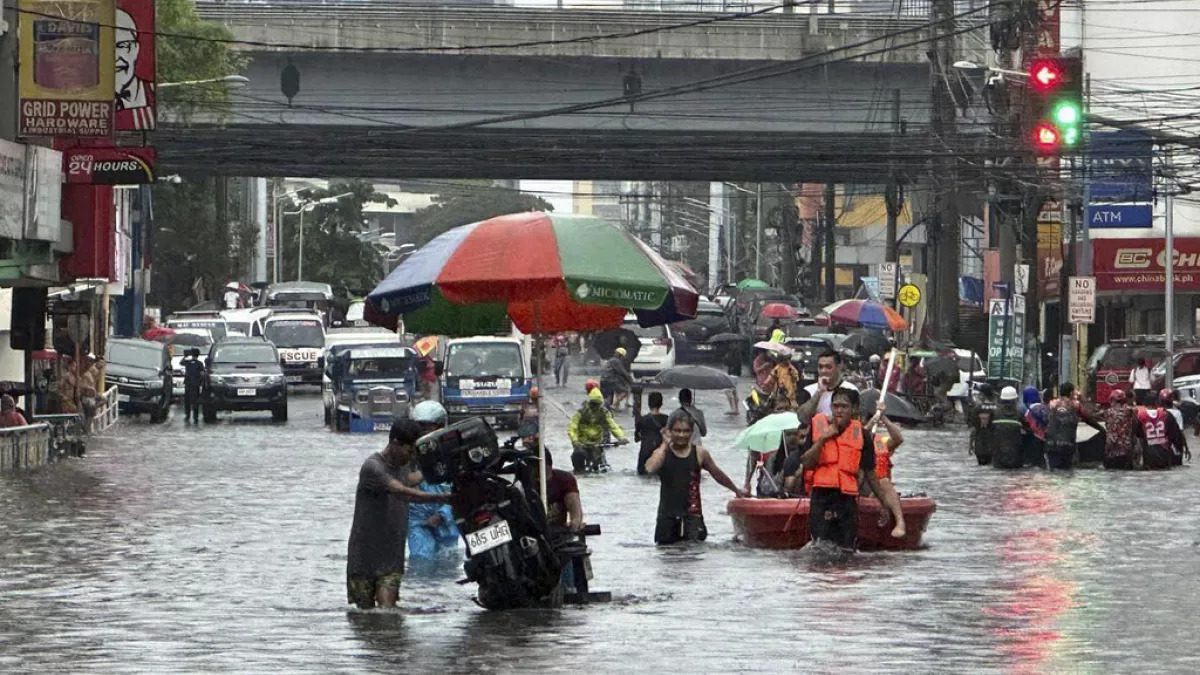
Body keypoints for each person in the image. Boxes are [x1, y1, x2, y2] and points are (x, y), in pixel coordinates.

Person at [346, 418, 452, 610]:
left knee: (388, 615)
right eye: (409, 450)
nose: (411, 457)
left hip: (391, 558)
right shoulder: (373, 467)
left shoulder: (402, 468)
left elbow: (414, 479)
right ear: (395, 443)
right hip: (364, 559)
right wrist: (442, 498)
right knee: (364, 618)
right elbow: (403, 491)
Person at [789, 388, 905, 550]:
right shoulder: (818, 428)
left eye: (844, 406)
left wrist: (884, 504)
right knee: (820, 547)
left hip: (846, 498)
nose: (839, 410)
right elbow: (807, 463)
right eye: (835, 406)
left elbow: (870, 473)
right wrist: (822, 439)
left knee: (847, 548)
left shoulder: (862, 436)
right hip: (822, 497)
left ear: (854, 409)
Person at [645, 409, 748, 544]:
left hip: (693, 517)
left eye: (686, 431)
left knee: (694, 556)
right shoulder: (662, 453)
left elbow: (717, 474)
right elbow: (650, 468)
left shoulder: (700, 453)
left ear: (692, 432)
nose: (681, 435)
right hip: (667, 519)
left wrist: (737, 490)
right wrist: (664, 444)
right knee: (668, 556)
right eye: (677, 430)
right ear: (669, 431)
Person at [407, 401, 459, 562]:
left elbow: (461, 488)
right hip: (418, 519)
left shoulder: (453, 452)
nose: (424, 433)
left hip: (446, 518)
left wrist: (442, 515)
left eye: (429, 427)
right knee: (421, 559)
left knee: (449, 558)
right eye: (420, 427)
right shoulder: (408, 453)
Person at [567, 388, 629, 472]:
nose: (595, 407)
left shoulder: (604, 412)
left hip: (597, 444)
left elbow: (613, 426)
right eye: (593, 404)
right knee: (578, 460)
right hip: (581, 444)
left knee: (601, 468)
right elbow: (572, 427)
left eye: (597, 404)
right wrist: (574, 441)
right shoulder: (581, 412)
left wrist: (621, 438)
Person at [1044, 383, 1103, 470]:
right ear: (1071, 393)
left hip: (1051, 444)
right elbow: (1087, 419)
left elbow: (1046, 420)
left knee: (1054, 471)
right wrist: (1101, 429)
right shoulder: (1075, 405)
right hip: (1067, 444)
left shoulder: (1052, 404)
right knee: (1066, 472)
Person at [796, 350, 859, 422]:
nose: (823, 371)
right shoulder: (808, 390)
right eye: (820, 367)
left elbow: (855, 420)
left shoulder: (851, 389)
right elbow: (802, 418)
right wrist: (819, 392)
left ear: (839, 367)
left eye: (828, 367)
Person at [1103, 390, 1142, 470]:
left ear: (1112, 400)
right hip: (1126, 452)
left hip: (1110, 452)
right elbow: (1136, 426)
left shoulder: (1107, 412)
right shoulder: (1132, 411)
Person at [989, 387, 1027, 469]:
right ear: (1015, 400)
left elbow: (989, 431)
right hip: (1016, 457)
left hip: (998, 457)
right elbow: (1027, 429)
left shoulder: (995, 414)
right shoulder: (1019, 414)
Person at [1137, 397, 1178, 470]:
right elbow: (1175, 435)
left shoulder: (1139, 415)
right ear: (1157, 403)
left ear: (1145, 404)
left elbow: (1138, 435)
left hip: (1149, 457)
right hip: (1165, 455)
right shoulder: (1167, 414)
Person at [634, 391, 668, 475]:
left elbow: (636, 439)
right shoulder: (667, 419)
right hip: (660, 452)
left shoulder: (642, 420)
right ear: (661, 404)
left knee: (642, 476)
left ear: (648, 403)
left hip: (645, 451)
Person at [1159, 389, 1189, 466]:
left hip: (1161, 449)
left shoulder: (1158, 413)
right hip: (1175, 448)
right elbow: (1180, 432)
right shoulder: (1177, 413)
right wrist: (1186, 447)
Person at [181, 348, 205, 424]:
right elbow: (202, 374)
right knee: (195, 401)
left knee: (187, 401)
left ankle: (187, 415)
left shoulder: (188, 362)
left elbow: (181, 362)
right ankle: (195, 416)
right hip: (196, 384)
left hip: (188, 384)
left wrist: (185, 356)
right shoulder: (200, 364)